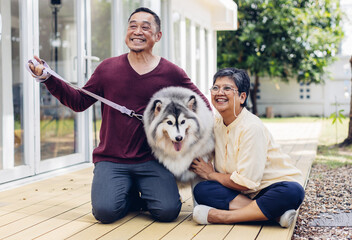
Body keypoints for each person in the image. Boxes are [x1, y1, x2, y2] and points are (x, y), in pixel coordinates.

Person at [28, 7, 210, 224]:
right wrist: (48, 78)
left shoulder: (171, 72)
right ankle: (130, 194)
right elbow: (79, 101)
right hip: (111, 159)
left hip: (152, 159)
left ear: (158, 35)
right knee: (105, 212)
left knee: (168, 211)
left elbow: (202, 105)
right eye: (132, 25)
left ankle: (143, 190)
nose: (137, 31)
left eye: (145, 27)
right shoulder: (107, 69)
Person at [190, 68, 305, 228]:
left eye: (227, 88)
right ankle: (274, 216)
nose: (219, 93)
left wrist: (211, 174)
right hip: (241, 193)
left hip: (271, 186)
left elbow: (246, 182)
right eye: (215, 88)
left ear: (242, 97)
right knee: (203, 190)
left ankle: (221, 217)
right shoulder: (215, 123)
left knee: (292, 192)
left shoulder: (251, 127)